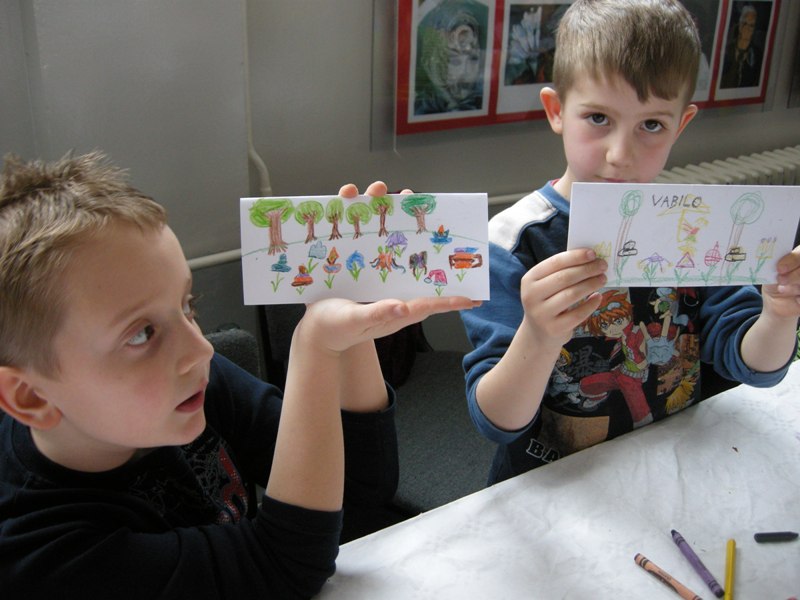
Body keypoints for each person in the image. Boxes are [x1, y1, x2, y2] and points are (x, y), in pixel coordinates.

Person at [0, 151, 479, 598]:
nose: (201, 348)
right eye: (142, 334)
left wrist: (346, 306)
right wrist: (315, 346)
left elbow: (358, 489)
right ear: (30, 397)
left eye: (187, 306)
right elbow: (286, 568)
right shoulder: (43, 553)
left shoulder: (191, 384)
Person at [460, 0, 800, 485]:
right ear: (557, 111)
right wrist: (537, 335)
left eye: (651, 125)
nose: (620, 155)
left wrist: (780, 315)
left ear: (680, 125)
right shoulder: (508, 244)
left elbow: (756, 366)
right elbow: (496, 420)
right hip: (555, 487)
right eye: (598, 118)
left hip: (671, 474)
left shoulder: (694, 229)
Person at [720, 3, 763, 89]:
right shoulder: (726, 50)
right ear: (739, 24)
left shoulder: (757, 55)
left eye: (751, 25)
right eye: (745, 23)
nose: (747, 29)